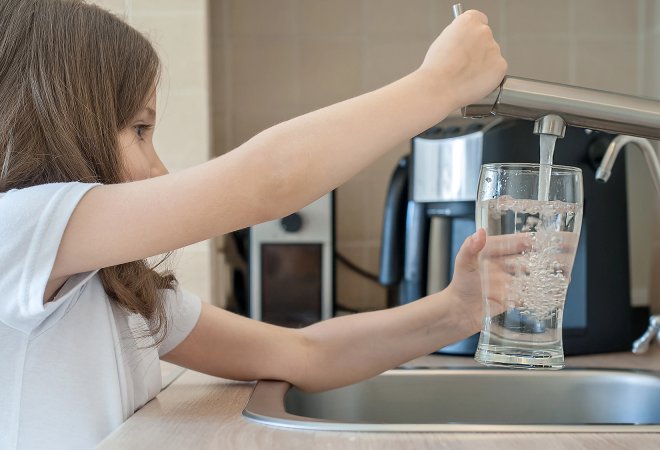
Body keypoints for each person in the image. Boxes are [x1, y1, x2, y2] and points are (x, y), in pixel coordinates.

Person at [0, 0, 507, 448]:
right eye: (139, 129)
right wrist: (439, 84)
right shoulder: (15, 231)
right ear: (61, 121)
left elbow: (302, 354)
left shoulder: (120, 294)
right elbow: (270, 180)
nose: (159, 169)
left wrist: (455, 312)